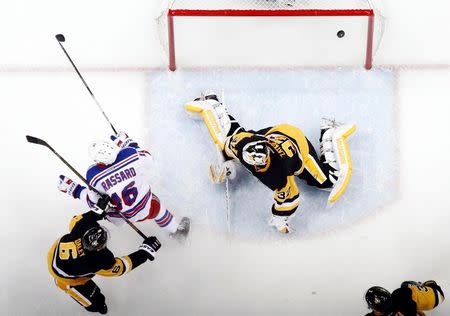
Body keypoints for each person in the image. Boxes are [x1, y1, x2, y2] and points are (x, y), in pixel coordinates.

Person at [184, 91, 355, 233]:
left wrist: (278, 219)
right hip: (274, 132)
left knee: (328, 180)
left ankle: (332, 133)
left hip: (298, 145)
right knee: (228, 138)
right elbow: (226, 138)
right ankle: (213, 101)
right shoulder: (243, 144)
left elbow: (291, 198)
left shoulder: (280, 178)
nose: (255, 165)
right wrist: (227, 163)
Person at [57, 131, 190, 241]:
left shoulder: (93, 175)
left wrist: (74, 190)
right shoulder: (128, 154)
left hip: (124, 217)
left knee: (105, 206)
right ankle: (177, 232)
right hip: (147, 208)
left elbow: (93, 202)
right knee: (158, 209)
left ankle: (171, 229)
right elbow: (149, 159)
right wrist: (128, 143)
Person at [47, 205, 161, 314]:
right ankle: (97, 306)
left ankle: (97, 304)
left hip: (55, 257)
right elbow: (120, 267)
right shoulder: (97, 261)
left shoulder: (80, 229)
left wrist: (100, 209)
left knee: (93, 293)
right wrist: (144, 252)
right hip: (67, 280)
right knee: (95, 301)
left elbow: (78, 219)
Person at [365, 281, 445, 316]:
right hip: (436, 294)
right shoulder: (396, 293)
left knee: (406, 285)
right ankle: (422, 285)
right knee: (405, 284)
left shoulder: (397, 308)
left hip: (437, 297)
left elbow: (416, 311)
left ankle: (423, 284)